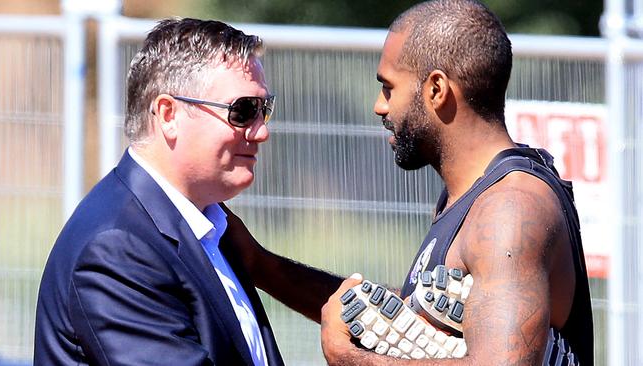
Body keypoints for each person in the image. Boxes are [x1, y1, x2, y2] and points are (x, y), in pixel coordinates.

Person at [223, 0, 594, 365]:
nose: (379, 106)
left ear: (436, 89)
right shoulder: (473, 194)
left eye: (389, 87)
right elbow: (414, 319)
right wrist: (262, 266)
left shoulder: (509, 207)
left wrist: (350, 359)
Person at [34, 18, 283, 365]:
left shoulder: (211, 227)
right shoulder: (117, 248)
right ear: (168, 115)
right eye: (242, 111)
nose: (260, 132)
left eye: (264, 110)